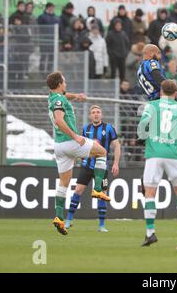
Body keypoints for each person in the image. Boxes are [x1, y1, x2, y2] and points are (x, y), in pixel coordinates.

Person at [46, 72, 110, 235]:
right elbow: (59, 120)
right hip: (69, 142)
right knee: (102, 151)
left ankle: (59, 218)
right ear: (60, 84)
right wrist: (75, 136)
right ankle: (97, 188)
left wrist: (78, 96)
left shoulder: (53, 97)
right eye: (64, 82)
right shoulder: (59, 100)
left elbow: (66, 95)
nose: (66, 84)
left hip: (59, 146)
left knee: (64, 183)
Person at [137, 80, 177, 246]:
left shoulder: (152, 105)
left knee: (150, 193)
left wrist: (143, 138)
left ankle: (150, 233)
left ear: (161, 91)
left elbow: (143, 125)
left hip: (154, 153)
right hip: (173, 153)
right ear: (176, 93)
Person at [65, 105, 121, 232]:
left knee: (102, 194)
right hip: (87, 166)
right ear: (90, 115)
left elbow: (117, 146)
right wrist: (76, 158)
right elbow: (81, 145)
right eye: (93, 112)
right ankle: (68, 220)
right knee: (78, 190)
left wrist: (116, 163)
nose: (96, 114)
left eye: (98, 112)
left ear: (101, 115)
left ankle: (101, 225)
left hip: (102, 168)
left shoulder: (109, 128)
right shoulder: (86, 128)